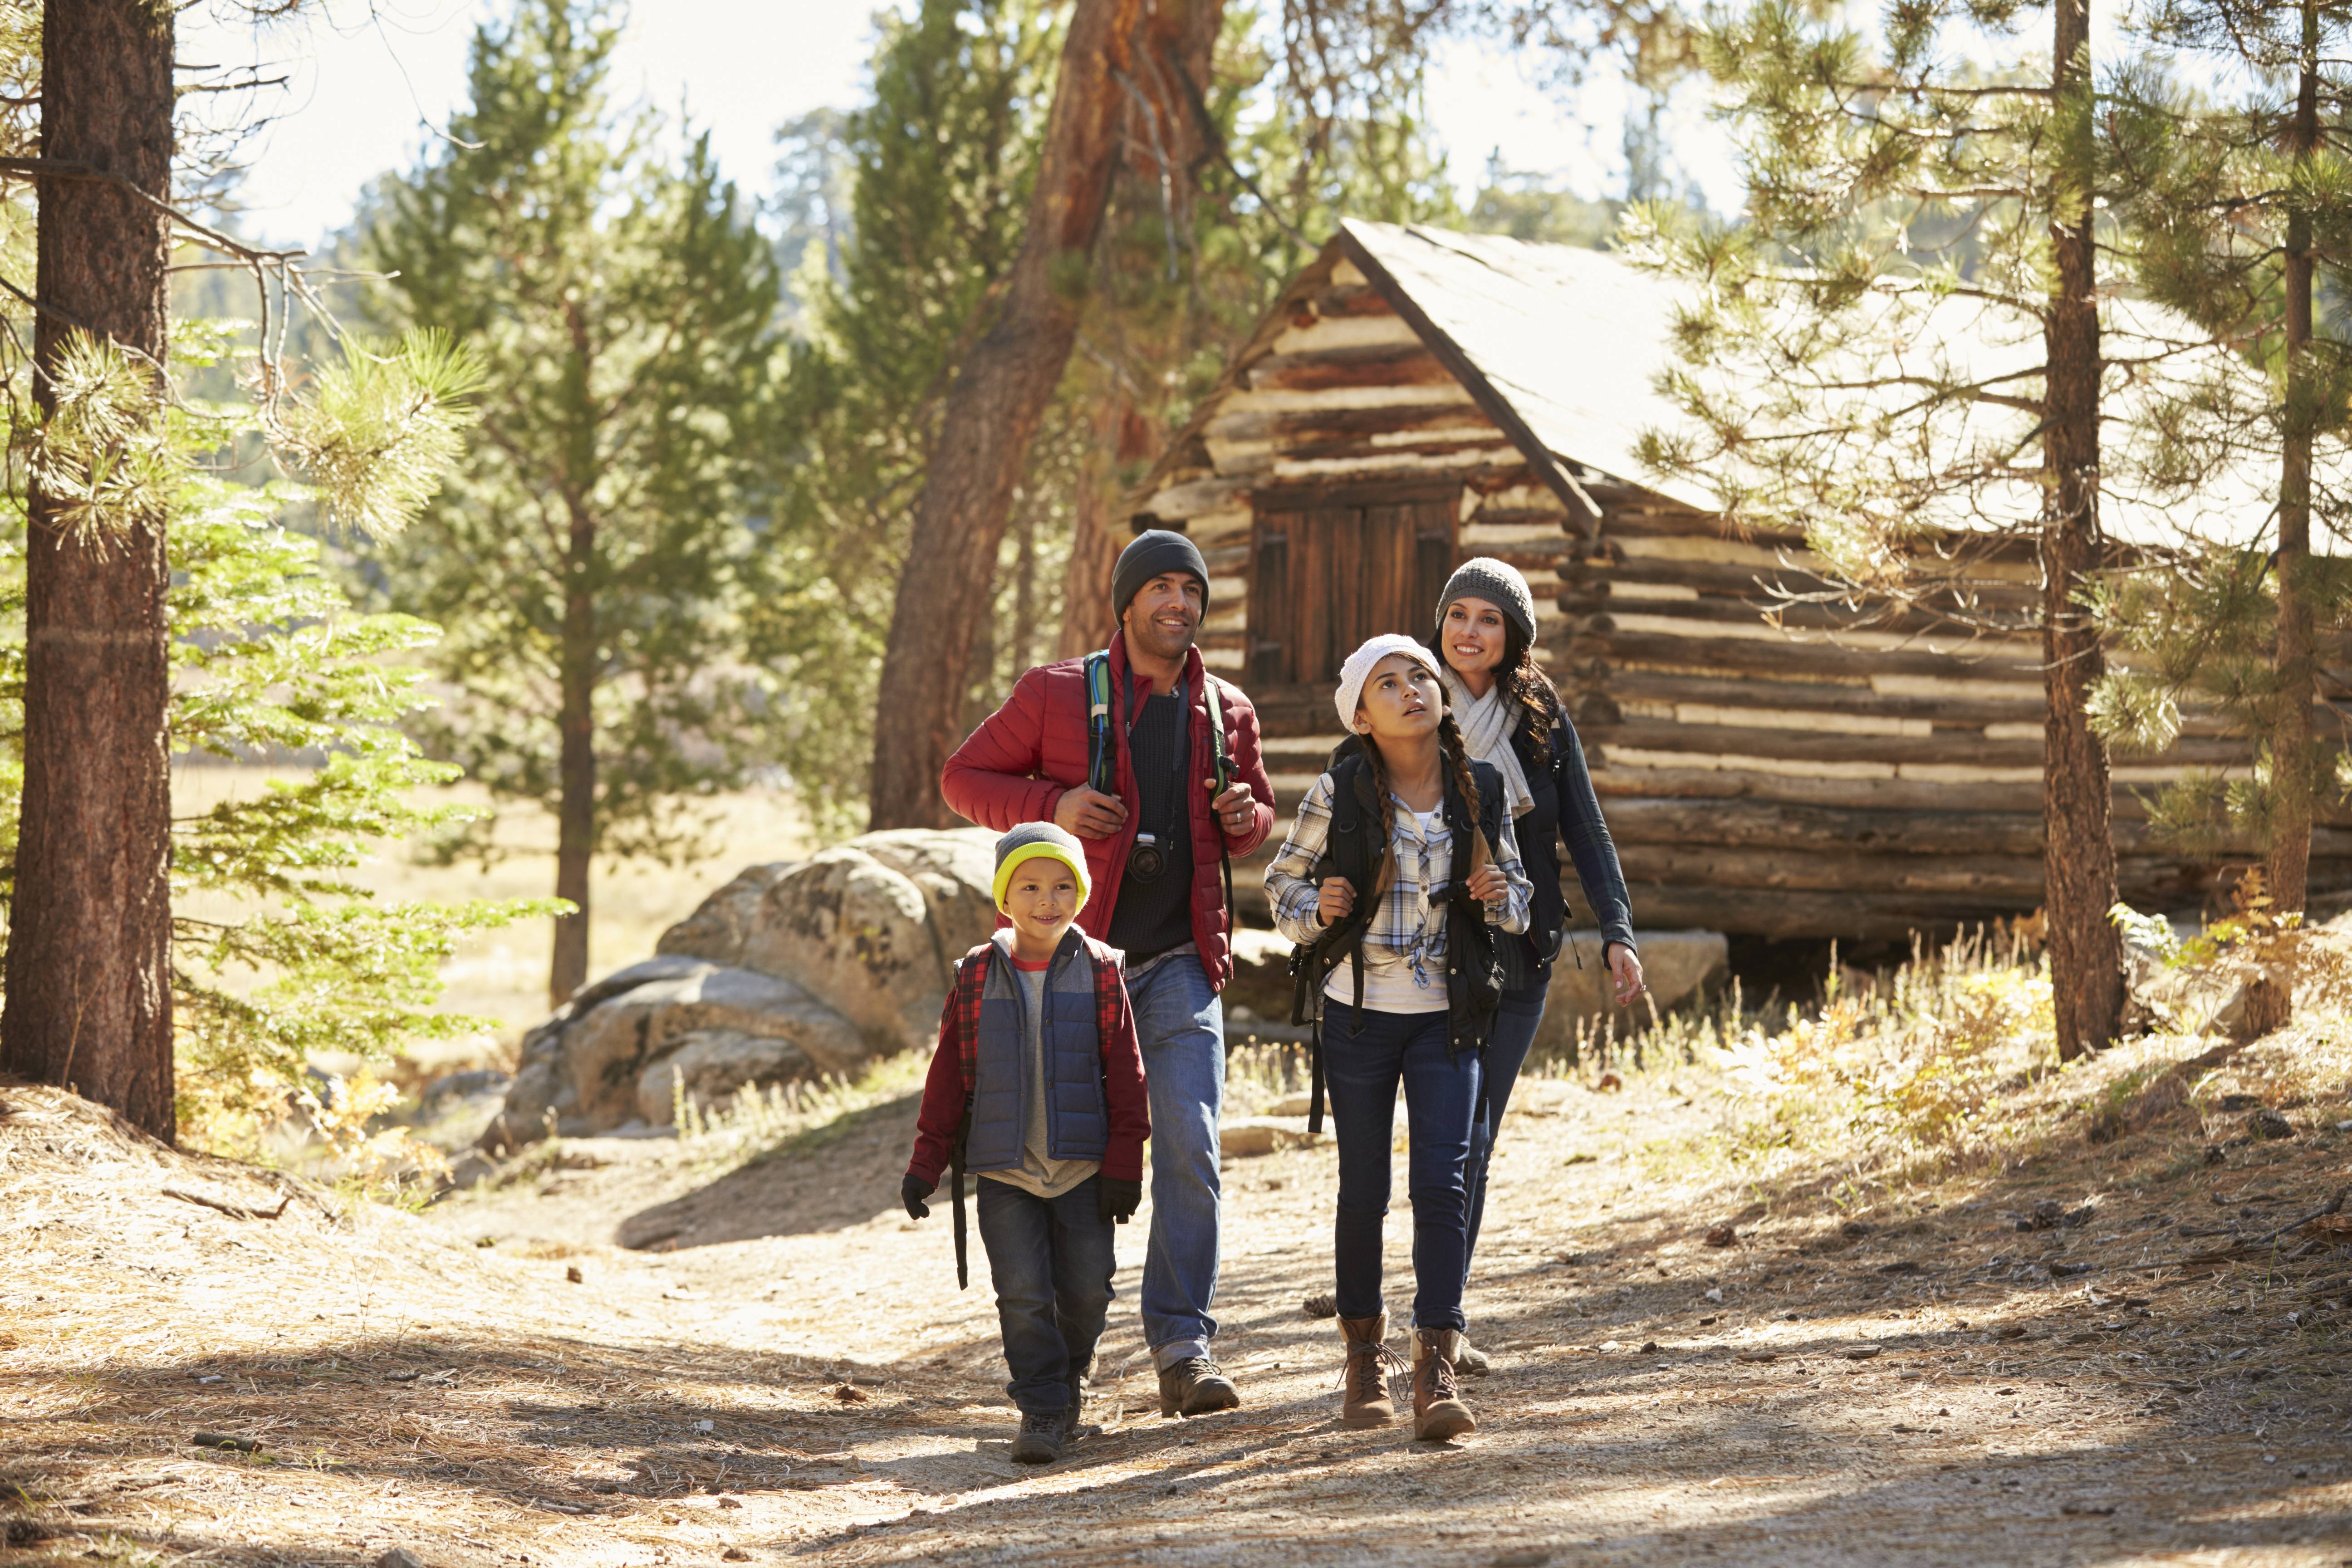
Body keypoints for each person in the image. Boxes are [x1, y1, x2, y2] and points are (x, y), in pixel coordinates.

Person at [941, 529, 1275, 1419]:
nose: (1178, 603)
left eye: (1191, 590)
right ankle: (1067, 1365)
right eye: (1160, 587)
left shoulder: (1226, 709)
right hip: (1075, 975)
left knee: (1193, 1151)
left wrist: (1246, 815)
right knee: (1063, 1166)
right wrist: (1051, 804)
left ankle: (1182, 1349)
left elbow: (1254, 820)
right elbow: (963, 778)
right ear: (1127, 604)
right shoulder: (1057, 694)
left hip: (1179, 971)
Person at [1264, 634, 1532, 1441]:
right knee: (1364, 1187)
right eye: (1389, 682)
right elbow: (1282, 888)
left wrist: (1496, 891)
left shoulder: (1481, 787)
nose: (1412, 688)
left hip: (1449, 1021)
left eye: (1421, 674)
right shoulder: (1338, 789)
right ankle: (1361, 1358)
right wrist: (1321, 908)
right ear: (1362, 714)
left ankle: (1435, 1364)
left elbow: (1519, 904)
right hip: (1357, 1018)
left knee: (1444, 1185)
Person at [1428, 559, 1642, 1377]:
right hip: (1435, 954)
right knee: (1450, 1139)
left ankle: (1443, 1321)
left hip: (1523, 948)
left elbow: (1585, 828)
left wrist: (1616, 929)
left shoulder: (1539, 714)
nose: (1469, 631)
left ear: (1512, 633)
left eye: (1488, 618)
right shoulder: (1412, 697)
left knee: (1476, 1140)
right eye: (1458, 614)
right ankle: (1424, 1315)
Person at [900, 823, 1149, 1465]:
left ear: (1083, 895)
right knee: (1022, 1290)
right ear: (1005, 900)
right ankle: (1041, 1405)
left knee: (1089, 1287)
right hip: (1004, 1168)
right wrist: (926, 1163)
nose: (1049, 900)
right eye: (1032, 887)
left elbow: (1127, 1075)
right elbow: (950, 1076)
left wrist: (1125, 1164)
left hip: (1084, 1167)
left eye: (1065, 886)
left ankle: (1070, 1377)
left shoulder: (1100, 971)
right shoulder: (977, 974)